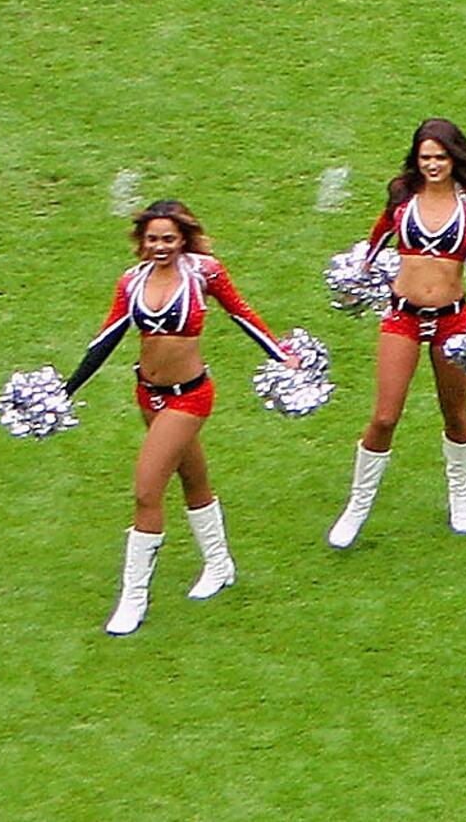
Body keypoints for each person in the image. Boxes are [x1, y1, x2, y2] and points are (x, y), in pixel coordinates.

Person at [55, 201, 293, 633]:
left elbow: (241, 314)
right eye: (152, 239)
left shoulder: (204, 273)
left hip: (190, 397)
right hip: (149, 395)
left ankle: (133, 599)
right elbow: (107, 339)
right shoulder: (132, 281)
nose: (160, 246)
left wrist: (281, 356)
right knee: (193, 479)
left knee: (147, 489)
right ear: (141, 242)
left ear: (183, 238)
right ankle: (220, 565)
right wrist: (66, 390)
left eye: (169, 238)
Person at [327, 119, 466, 546]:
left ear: (455, 157)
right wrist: (361, 268)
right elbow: (379, 235)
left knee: (455, 415)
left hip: (452, 319)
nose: (433, 165)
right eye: (425, 158)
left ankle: (460, 494)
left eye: (440, 157)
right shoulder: (402, 192)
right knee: (384, 417)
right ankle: (357, 506)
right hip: (401, 315)